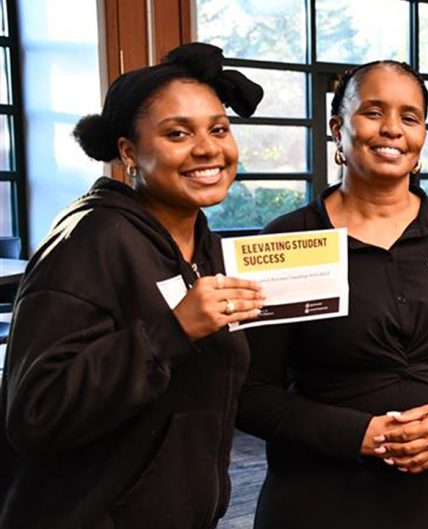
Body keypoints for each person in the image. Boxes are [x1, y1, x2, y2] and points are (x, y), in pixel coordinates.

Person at [236, 60, 428, 529]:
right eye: (373, 112)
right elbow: (251, 394)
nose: (392, 129)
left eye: (410, 117)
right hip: (323, 494)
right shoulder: (286, 241)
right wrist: (360, 434)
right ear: (337, 127)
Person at [0, 43, 265, 529]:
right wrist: (172, 332)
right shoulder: (91, 241)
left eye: (218, 128)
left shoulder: (204, 247)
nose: (207, 148)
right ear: (128, 152)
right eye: (177, 133)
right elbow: (35, 411)